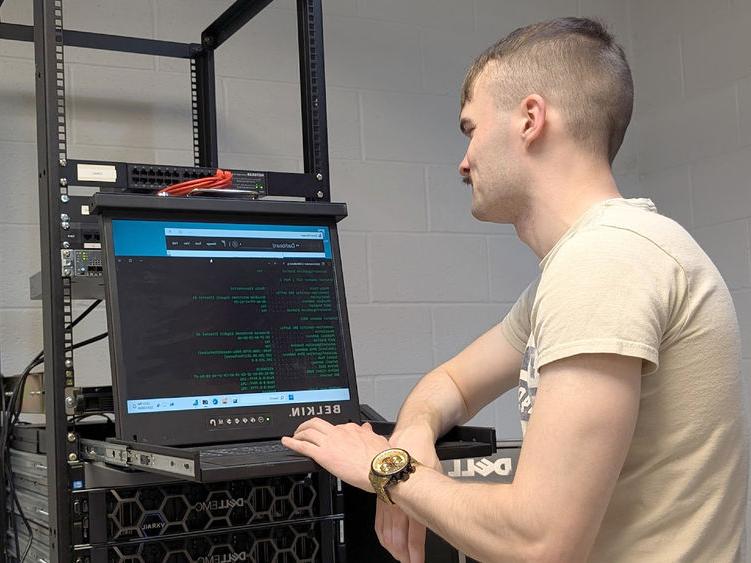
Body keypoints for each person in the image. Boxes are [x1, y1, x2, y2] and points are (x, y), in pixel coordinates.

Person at [282, 17, 749, 562]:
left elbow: (538, 543)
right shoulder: (587, 262)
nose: (464, 161)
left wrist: (386, 471)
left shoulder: (607, 261)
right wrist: (411, 438)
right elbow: (450, 383)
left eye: (471, 129)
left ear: (530, 119)